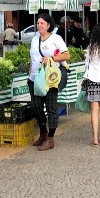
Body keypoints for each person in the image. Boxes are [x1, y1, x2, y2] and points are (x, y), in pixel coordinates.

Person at [28, 13, 69, 151]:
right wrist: (30, 72)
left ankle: (50, 138)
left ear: (48, 25)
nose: (39, 25)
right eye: (38, 23)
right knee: (36, 108)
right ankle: (43, 132)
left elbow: (66, 55)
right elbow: (32, 58)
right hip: (35, 79)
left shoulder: (56, 38)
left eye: (42, 23)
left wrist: (50, 58)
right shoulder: (34, 39)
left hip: (50, 79)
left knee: (51, 108)